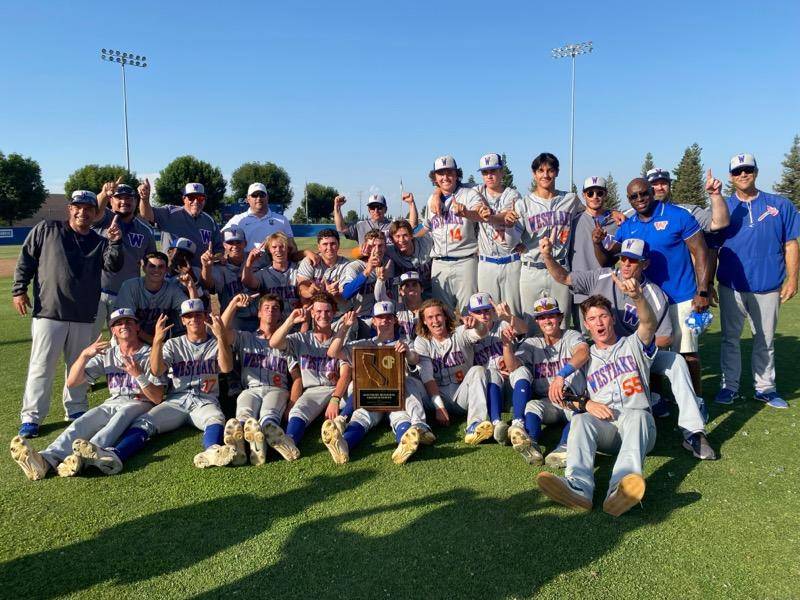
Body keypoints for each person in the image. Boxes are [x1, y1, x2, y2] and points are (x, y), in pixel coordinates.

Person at [541, 236, 715, 460]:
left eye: (632, 260)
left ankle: (693, 431)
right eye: (623, 258)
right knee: (577, 375)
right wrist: (546, 256)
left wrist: (631, 348)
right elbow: (563, 277)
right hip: (601, 350)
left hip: (636, 351)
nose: (625, 264)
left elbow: (665, 338)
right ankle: (570, 433)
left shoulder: (654, 294)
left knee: (676, 361)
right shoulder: (602, 275)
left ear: (645, 264)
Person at [536, 284, 659, 517]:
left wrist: (638, 296)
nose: (599, 322)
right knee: (581, 420)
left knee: (640, 416)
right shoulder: (587, 358)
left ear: (612, 318)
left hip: (641, 428)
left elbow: (649, 323)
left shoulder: (632, 344)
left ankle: (620, 489)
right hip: (608, 430)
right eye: (592, 318)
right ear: (587, 325)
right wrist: (587, 404)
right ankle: (579, 487)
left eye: (603, 316)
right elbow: (566, 398)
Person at [13, 190, 123, 438]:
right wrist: (19, 290)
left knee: (79, 366)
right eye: (78, 207)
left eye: (88, 209)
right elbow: (26, 259)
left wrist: (115, 241)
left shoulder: (99, 241)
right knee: (42, 366)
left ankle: (76, 409)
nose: (82, 212)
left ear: (96, 213)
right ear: (70, 209)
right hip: (50, 312)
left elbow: (113, 266)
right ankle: (31, 417)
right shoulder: (48, 229)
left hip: (84, 314)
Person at [78, 300, 236, 473]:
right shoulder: (174, 344)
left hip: (205, 400)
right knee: (145, 421)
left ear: (206, 316)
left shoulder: (216, 342)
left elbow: (226, 367)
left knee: (216, 418)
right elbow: (156, 369)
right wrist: (158, 341)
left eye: (198, 314)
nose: (194, 319)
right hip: (176, 400)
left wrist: (220, 337)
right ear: (182, 320)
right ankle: (116, 454)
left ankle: (212, 450)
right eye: (188, 316)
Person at [9, 309, 163, 480]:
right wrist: (84, 355)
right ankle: (45, 459)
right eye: (118, 323)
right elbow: (72, 382)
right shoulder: (109, 353)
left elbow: (157, 397)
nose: (123, 325)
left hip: (140, 401)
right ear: (113, 330)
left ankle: (83, 456)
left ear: (137, 327)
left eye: (128, 322)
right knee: (85, 420)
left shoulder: (150, 354)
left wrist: (138, 375)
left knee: (121, 416)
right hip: (113, 401)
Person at [712, 153, 799, 409]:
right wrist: (705, 286)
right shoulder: (723, 207)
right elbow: (711, 250)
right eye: (737, 171)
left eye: (747, 169)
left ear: (756, 172)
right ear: (730, 176)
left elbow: (791, 244)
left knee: (765, 339)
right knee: (730, 338)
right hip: (732, 285)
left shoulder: (780, 204)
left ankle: (765, 389)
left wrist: (793, 279)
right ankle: (730, 386)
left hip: (768, 285)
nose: (743, 174)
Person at [609, 177, 711, 395]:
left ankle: (696, 400)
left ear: (652, 192)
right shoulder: (628, 225)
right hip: (647, 300)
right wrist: (598, 240)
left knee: (687, 352)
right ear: (629, 199)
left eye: (644, 193)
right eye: (634, 196)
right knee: (650, 349)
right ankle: (656, 398)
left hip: (680, 296)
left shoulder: (678, 215)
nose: (640, 199)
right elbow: (611, 256)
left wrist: (703, 289)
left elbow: (701, 251)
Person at [324, 302, 434, 465]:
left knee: (401, 418)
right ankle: (343, 445)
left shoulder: (403, 343)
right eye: (380, 317)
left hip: (396, 397)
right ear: (373, 321)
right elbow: (332, 352)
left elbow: (415, 360)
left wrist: (407, 352)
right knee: (360, 418)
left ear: (395, 320)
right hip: (371, 397)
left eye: (389, 317)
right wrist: (345, 327)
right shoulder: (364, 343)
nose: (385, 320)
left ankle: (404, 445)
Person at [500, 297, 588, 467]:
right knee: (531, 404)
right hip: (549, 402)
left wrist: (561, 375)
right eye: (542, 317)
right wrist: (506, 346)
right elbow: (513, 367)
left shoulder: (571, 335)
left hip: (573, 400)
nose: (547, 320)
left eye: (551, 315)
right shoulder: (532, 343)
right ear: (537, 321)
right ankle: (530, 442)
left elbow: (583, 352)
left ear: (560, 317)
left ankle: (563, 447)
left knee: (581, 416)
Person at [220, 293, 303, 464]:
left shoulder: (286, 342)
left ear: (281, 315)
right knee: (243, 414)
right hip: (251, 388)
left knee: (268, 415)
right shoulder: (245, 337)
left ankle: (263, 439)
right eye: (266, 308)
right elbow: (221, 330)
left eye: (275, 308)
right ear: (258, 313)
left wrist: (292, 405)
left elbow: (297, 378)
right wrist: (234, 303)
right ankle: (244, 444)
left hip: (277, 388)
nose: (271, 311)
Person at [269, 294, 352, 452]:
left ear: (334, 314)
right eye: (319, 311)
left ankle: (341, 434)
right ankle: (289, 442)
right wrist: (290, 321)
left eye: (327, 311)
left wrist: (335, 399)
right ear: (312, 313)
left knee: (355, 389)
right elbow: (274, 342)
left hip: (337, 389)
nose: (323, 315)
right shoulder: (301, 338)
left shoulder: (340, 338)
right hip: (313, 390)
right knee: (298, 411)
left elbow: (346, 374)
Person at [514, 153, 584, 328]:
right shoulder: (523, 204)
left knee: (561, 323)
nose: (545, 175)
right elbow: (511, 236)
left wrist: (612, 212)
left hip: (559, 267)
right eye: (540, 170)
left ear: (557, 172)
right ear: (534, 174)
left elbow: (591, 212)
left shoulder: (570, 199)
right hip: (532, 269)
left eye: (550, 170)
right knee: (532, 325)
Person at [412, 299, 492, 444]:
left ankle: (474, 426)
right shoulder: (421, 341)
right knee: (410, 382)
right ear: (423, 321)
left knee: (478, 370)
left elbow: (483, 333)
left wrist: (478, 324)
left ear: (445, 316)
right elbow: (427, 376)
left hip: (462, 394)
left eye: (438, 315)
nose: (435, 321)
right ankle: (420, 427)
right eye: (430, 317)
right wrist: (439, 407)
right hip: (437, 395)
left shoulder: (460, 332)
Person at [419, 155, 486, 313]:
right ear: (435, 177)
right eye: (441, 173)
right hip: (439, 264)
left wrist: (466, 213)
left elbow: (481, 215)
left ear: (457, 174)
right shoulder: (432, 200)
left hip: (465, 262)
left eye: (449, 172)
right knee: (442, 314)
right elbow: (426, 226)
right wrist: (408, 239)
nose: (445, 177)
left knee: (470, 313)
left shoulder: (469, 194)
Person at [92, 178, 156, 337]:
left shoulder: (145, 231)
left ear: (135, 202)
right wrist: (104, 194)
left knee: (124, 343)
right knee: (86, 342)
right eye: (119, 197)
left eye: (129, 198)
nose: (124, 201)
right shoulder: (102, 218)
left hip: (125, 295)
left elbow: (151, 264)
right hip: (94, 292)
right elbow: (94, 210)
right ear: (111, 201)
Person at [465, 292, 529, 444]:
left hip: (511, 383)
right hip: (488, 390)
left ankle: (518, 422)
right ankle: (496, 422)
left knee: (521, 371)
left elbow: (524, 329)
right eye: (478, 312)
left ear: (492, 310)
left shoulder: (503, 325)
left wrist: (507, 317)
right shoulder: (468, 333)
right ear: (470, 313)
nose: (483, 315)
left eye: (487, 310)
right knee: (491, 372)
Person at [474, 153, 524, 315]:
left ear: (502, 172)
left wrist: (489, 216)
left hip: (511, 261)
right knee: (489, 313)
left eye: (493, 171)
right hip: (486, 262)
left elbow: (505, 215)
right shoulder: (476, 191)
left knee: (513, 311)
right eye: (485, 172)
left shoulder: (513, 194)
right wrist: (437, 193)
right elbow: (451, 187)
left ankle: (518, 340)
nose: (489, 176)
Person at [569, 176, 619, 327]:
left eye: (599, 193)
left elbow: (614, 259)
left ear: (605, 194)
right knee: (583, 339)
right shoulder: (573, 221)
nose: (595, 197)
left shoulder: (616, 223)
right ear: (584, 195)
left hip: (607, 290)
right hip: (580, 290)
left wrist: (613, 213)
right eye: (590, 193)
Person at [139, 182, 222, 267]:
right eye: (191, 198)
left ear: (204, 200)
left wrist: (214, 257)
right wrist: (144, 199)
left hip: (199, 274)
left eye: (200, 198)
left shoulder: (209, 221)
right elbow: (146, 215)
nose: (196, 201)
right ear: (184, 199)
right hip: (171, 275)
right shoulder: (170, 213)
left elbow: (219, 250)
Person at [115, 251, 191, 343]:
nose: (156, 270)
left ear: (167, 269)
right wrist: (156, 343)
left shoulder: (171, 288)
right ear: (144, 268)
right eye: (152, 266)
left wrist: (191, 287)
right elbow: (126, 324)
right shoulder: (130, 286)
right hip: (130, 339)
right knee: (125, 329)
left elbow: (192, 310)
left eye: (161, 267)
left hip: (158, 340)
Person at [200, 226, 257, 331]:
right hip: (234, 319)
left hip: (258, 316)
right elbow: (209, 285)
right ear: (224, 245)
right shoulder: (219, 267)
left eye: (238, 242)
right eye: (230, 243)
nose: (235, 246)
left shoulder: (256, 260)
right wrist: (206, 267)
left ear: (245, 243)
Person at [646, 167, 730, 234]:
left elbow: (720, 223)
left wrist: (715, 195)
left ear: (669, 186)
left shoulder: (687, 211)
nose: (660, 188)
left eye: (664, 183)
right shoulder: (633, 215)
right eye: (655, 184)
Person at [222, 182, 295, 253]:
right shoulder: (238, 219)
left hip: (273, 264)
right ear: (248, 199)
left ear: (267, 197)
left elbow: (292, 246)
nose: (259, 198)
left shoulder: (282, 220)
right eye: (254, 195)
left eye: (262, 195)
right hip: (247, 264)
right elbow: (220, 238)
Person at [340, 229, 394, 324]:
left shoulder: (389, 263)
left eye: (380, 245)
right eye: (372, 246)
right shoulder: (355, 267)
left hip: (386, 317)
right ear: (365, 247)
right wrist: (367, 271)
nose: (377, 250)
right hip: (363, 319)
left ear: (385, 247)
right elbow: (346, 294)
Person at [241, 232, 299, 318]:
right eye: (274, 247)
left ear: (288, 249)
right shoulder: (264, 273)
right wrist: (249, 263)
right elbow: (247, 282)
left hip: (297, 322)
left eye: (282, 246)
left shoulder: (299, 270)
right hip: (273, 324)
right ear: (269, 250)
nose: (278, 250)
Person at [295, 228, 351, 316]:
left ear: (338, 245)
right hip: (316, 314)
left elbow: (346, 295)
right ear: (319, 247)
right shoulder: (309, 261)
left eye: (333, 244)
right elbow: (302, 290)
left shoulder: (347, 265)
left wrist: (335, 293)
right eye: (325, 244)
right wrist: (310, 291)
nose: (329, 248)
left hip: (340, 314)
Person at [334, 193, 413, 245]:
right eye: (372, 207)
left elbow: (412, 225)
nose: (376, 211)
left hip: (389, 263)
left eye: (379, 207)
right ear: (369, 210)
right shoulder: (360, 225)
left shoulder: (393, 225)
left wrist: (411, 203)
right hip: (366, 263)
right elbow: (341, 229)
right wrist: (337, 207)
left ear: (385, 209)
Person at [385, 219, 433, 298]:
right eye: (397, 236)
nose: (402, 240)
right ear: (392, 240)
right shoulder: (390, 250)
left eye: (405, 235)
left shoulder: (426, 241)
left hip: (431, 288)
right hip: (410, 292)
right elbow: (369, 250)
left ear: (411, 235)